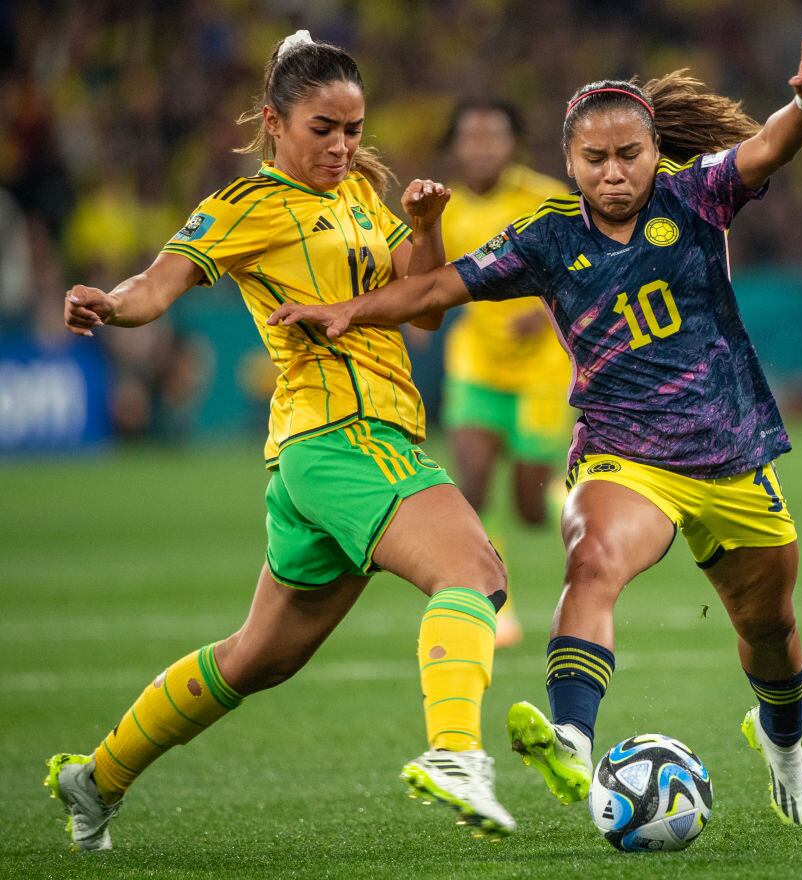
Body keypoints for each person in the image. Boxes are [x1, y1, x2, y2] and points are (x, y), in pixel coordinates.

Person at [268, 39, 802, 828]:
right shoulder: (546, 238)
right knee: (593, 560)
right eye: (596, 158)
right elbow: (440, 286)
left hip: (730, 451)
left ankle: (783, 745)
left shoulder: (697, 196)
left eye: (629, 155)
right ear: (569, 163)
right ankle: (572, 737)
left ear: (652, 152)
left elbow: (771, 143)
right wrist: (347, 311)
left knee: (771, 630)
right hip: (625, 454)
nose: (615, 173)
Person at [50, 31, 516, 852]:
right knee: (473, 570)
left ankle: (97, 778)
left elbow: (428, 309)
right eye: (323, 129)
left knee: (257, 660)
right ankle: (454, 753)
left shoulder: (358, 197)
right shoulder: (246, 207)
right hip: (341, 436)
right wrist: (108, 303)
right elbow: (157, 284)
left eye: (354, 129)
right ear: (274, 121)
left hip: (331, 450)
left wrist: (425, 227)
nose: (342, 146)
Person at [438, 100, 571, 647]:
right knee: (470, 485)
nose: (482, 146)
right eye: (471, 136)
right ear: (456, 147)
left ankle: (574, 505)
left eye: (494, 135)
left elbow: (581, 267)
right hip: (476, 362)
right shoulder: (442, 211)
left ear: (512, 143)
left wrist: (542, 313)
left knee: (530, 506)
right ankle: (499, 608)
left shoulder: (546, 199)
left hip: (540, 369)